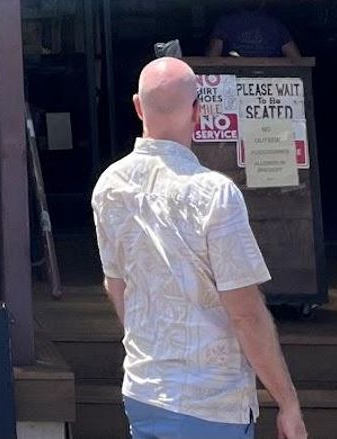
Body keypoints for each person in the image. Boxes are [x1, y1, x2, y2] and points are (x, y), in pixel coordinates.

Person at [92, 57, 308, 439]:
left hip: (144, 386)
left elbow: (116, 285)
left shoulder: (109, 186)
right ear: (198, 112)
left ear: (138, 107)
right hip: (210, 398)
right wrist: (287, 401)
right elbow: (246, 314)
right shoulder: (215, 194)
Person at [207, 6, 301, 60]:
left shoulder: (276, 25)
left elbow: (297, 60)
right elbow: (212, 60)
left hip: (272, 85)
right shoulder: (225, 23)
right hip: (233, 83)